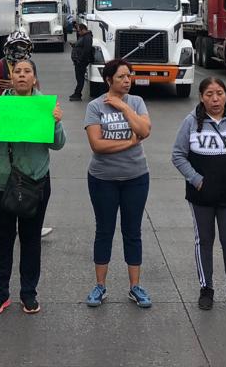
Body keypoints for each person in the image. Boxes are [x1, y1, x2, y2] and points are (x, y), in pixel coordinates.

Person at [0, 59, 65, 315]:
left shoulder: (45, 106)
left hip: (35, 184)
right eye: (17, 72)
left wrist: (56, 121)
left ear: (35, 78)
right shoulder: (0, 105)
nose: (22, 76)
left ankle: (28, 294)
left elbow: (58, 144)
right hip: (2, 183)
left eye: (27, 72)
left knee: (30, 239)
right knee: (3, 240)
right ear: (11, 78)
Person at [171, 76, 226, 311]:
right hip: (201, 197)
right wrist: (196, 180)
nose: (215, 99)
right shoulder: (190, 122)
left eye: (219, 93)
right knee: (204, 241)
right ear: (201, 97)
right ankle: (206, 288)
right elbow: (178, 155)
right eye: (209, 94)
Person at [83, 58, 153, 309]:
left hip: (136, 178)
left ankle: (135, 287)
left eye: (129, 76)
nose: (127, 80)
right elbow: (97, 145)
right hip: (103, 179)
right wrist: (129, 143)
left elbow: (144, 130)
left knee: (132, 232)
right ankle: (100, 286)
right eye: (122, 76)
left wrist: (124, 108)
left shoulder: (136, 102)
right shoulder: (94, 106)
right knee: (104, 230)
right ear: (108, 79)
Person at [0, 31, 52, 237]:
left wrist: (46, 112)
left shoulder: (29, 68)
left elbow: (39, 94)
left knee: (27, 168)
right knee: (4, 173)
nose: (20, 51)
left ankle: (30, 213)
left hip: (26, 123)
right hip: (3, 124)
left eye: (23, 46)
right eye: (16, 46)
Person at [70, 21, 94, 102]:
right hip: (79, 61)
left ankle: (77, 94)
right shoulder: (83, 36)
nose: (78, 32)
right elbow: (81, 46)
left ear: (83, 30)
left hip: (81, 62)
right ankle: (77, 93)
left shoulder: (87, 37)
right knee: (78, 78)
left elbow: (87, 50)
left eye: (79, 31)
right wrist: (74, 45)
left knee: (80, 78)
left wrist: (81, 60)